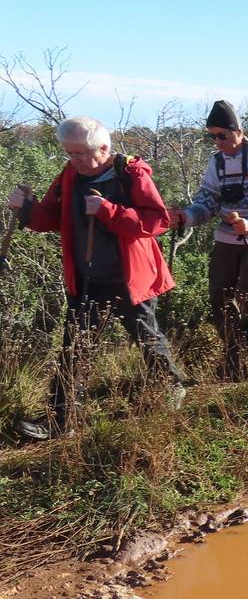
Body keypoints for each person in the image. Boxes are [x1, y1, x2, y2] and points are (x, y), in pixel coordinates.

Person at [7, 116, 183, 440]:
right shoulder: (70, 175)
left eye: (79, 153)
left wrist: (108, 211)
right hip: (88, 279)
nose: (73, 160)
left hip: (129, 279)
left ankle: (170, 388)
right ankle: (61, 419)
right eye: (68, 153)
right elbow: (51, 217)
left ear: (103, 148)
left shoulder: (130, 173)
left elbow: (157, 221)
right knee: (74, 349)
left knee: (146, 339)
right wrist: (27, 209)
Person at [168, 100, 248, 382]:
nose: (217, 142)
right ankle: (234, 362)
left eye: (221, 135)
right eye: (211, 136)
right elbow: (207, 201)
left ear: (238, 131)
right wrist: (186, 217)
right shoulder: (217, 162)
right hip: (227, 238)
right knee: (220, 299)